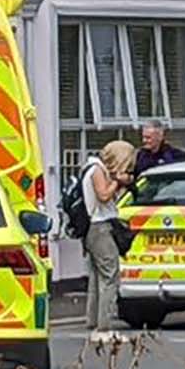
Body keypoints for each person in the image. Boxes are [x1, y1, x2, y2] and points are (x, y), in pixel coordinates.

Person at [81, 140, 139, 340]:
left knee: (97, 277)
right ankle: (104, 328)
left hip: (96, 228)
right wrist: (117, 181)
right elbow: (104, 195)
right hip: (99, 228)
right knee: (110, 276)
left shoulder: (97, 168)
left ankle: (94, 322)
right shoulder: (97, 169)